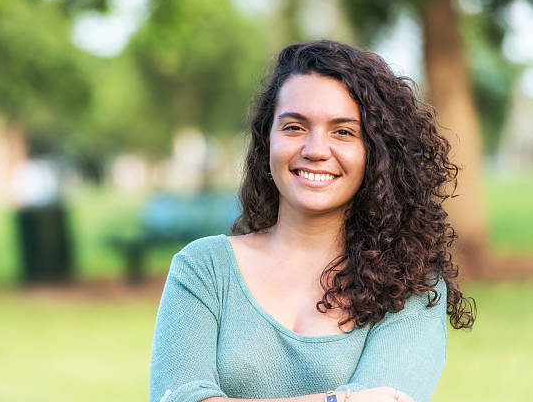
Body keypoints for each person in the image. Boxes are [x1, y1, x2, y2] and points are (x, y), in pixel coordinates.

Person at [149, 40, 476, 402]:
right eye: (294, 127)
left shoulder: (410, 285)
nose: (315, 150)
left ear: (379, 153)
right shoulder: (203, 269)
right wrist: (342, 399)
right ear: (266, 140)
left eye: (343, 132)